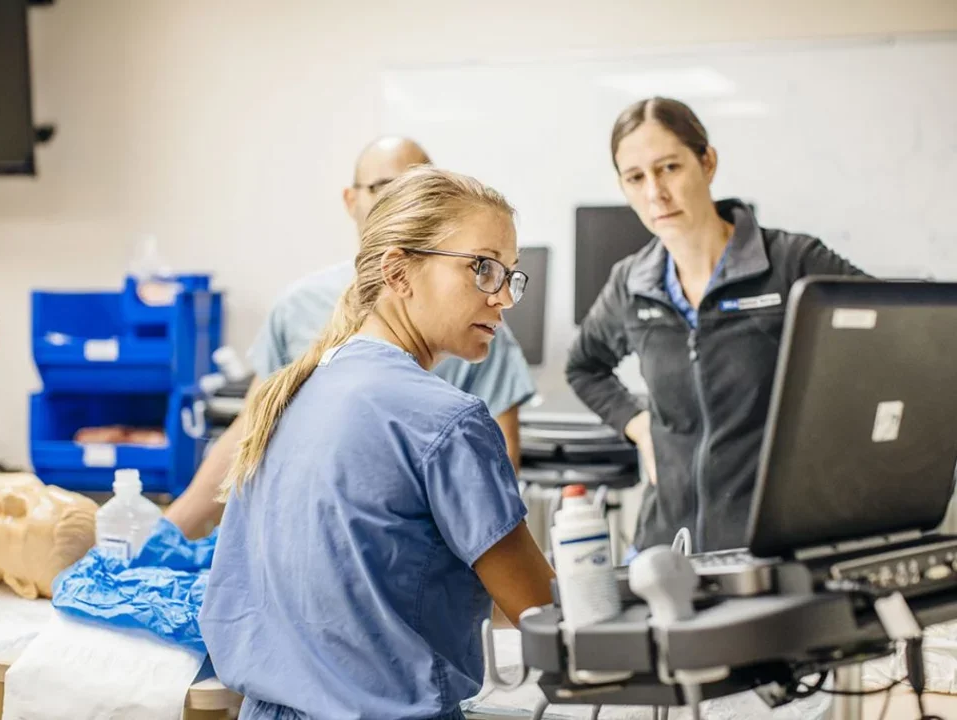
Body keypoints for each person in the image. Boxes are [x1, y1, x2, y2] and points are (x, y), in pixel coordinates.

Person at [199, 167, 555, 720]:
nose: (504, 297)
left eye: (511, 275)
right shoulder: (446, 421)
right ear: (398, 271)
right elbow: (542, 613)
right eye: (484, 269)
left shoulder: (291, 394)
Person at [165, 137, 535, 539]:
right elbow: (253, 431)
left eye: (417, 184)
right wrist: (164, 533)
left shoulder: (477, 328)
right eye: (385, 186)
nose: (500, 298)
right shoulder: (301, 306)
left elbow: (494, 478)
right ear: (351, 200)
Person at [566, 97, 865, 553]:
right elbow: (583, 366)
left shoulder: (791, 262)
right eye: (636, 177)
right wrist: (637, 424)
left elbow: (893, 333)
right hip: (668, 546)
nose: (655, 193)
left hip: (774, 549)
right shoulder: (632, 283)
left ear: (707, 162)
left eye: (669, 168)